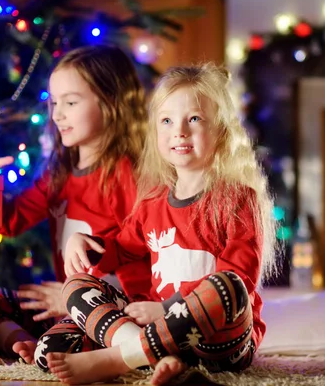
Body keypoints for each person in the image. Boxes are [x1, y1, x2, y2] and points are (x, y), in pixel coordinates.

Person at [36, 63, 279, 385]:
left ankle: (120, 357)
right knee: (59, 325)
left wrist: (166, 309)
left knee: (229, 286)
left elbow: (242, 278)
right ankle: (159, 359)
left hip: (220, 342)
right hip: (156, 332)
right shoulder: (152, 203)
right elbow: (120, 249)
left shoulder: (238, 199)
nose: (179, 131)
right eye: (166, 121)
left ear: (221, 131)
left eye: (194, 119)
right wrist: (82, 244)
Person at [0, 45, 152, 362]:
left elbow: (140, 255)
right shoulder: (58, 175)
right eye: (54, 102)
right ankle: (25, 342)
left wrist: (81, 302)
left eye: (70, 102)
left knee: (71, 339)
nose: (57, 114)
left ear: (112, 102)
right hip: (66, 308)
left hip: (110, 311)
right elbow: (9, 222)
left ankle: (57, 347)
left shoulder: (127, 175)